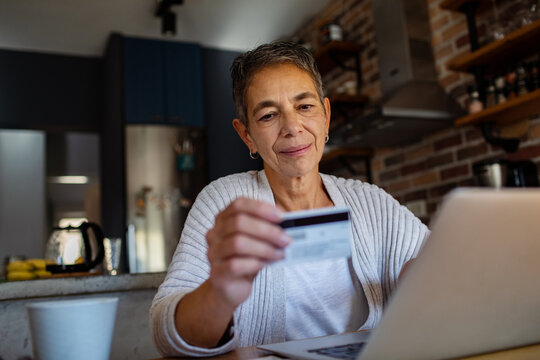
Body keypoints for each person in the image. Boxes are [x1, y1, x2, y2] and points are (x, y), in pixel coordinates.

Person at [150, 41, 429, 357]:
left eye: (305, 107)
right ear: (247, 135)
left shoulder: (370, 202)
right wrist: (220, 292)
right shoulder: (223, 201)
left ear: (326, 116)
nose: (292, 127)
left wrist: (428, 277)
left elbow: (440, 271)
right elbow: (165, 335)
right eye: (269, 115)